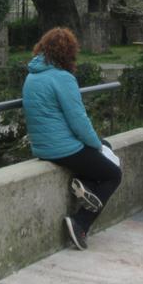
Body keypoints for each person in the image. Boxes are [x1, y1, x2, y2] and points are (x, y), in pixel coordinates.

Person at [22, 27, 121, 251]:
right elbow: (79, 122)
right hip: (63, 149)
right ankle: (80, 223)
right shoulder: (63, 78)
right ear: (69, 53)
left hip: (41, 147)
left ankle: (85, 185)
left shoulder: (32, 75)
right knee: (113, 174)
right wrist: (96, 144)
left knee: (102, 151)